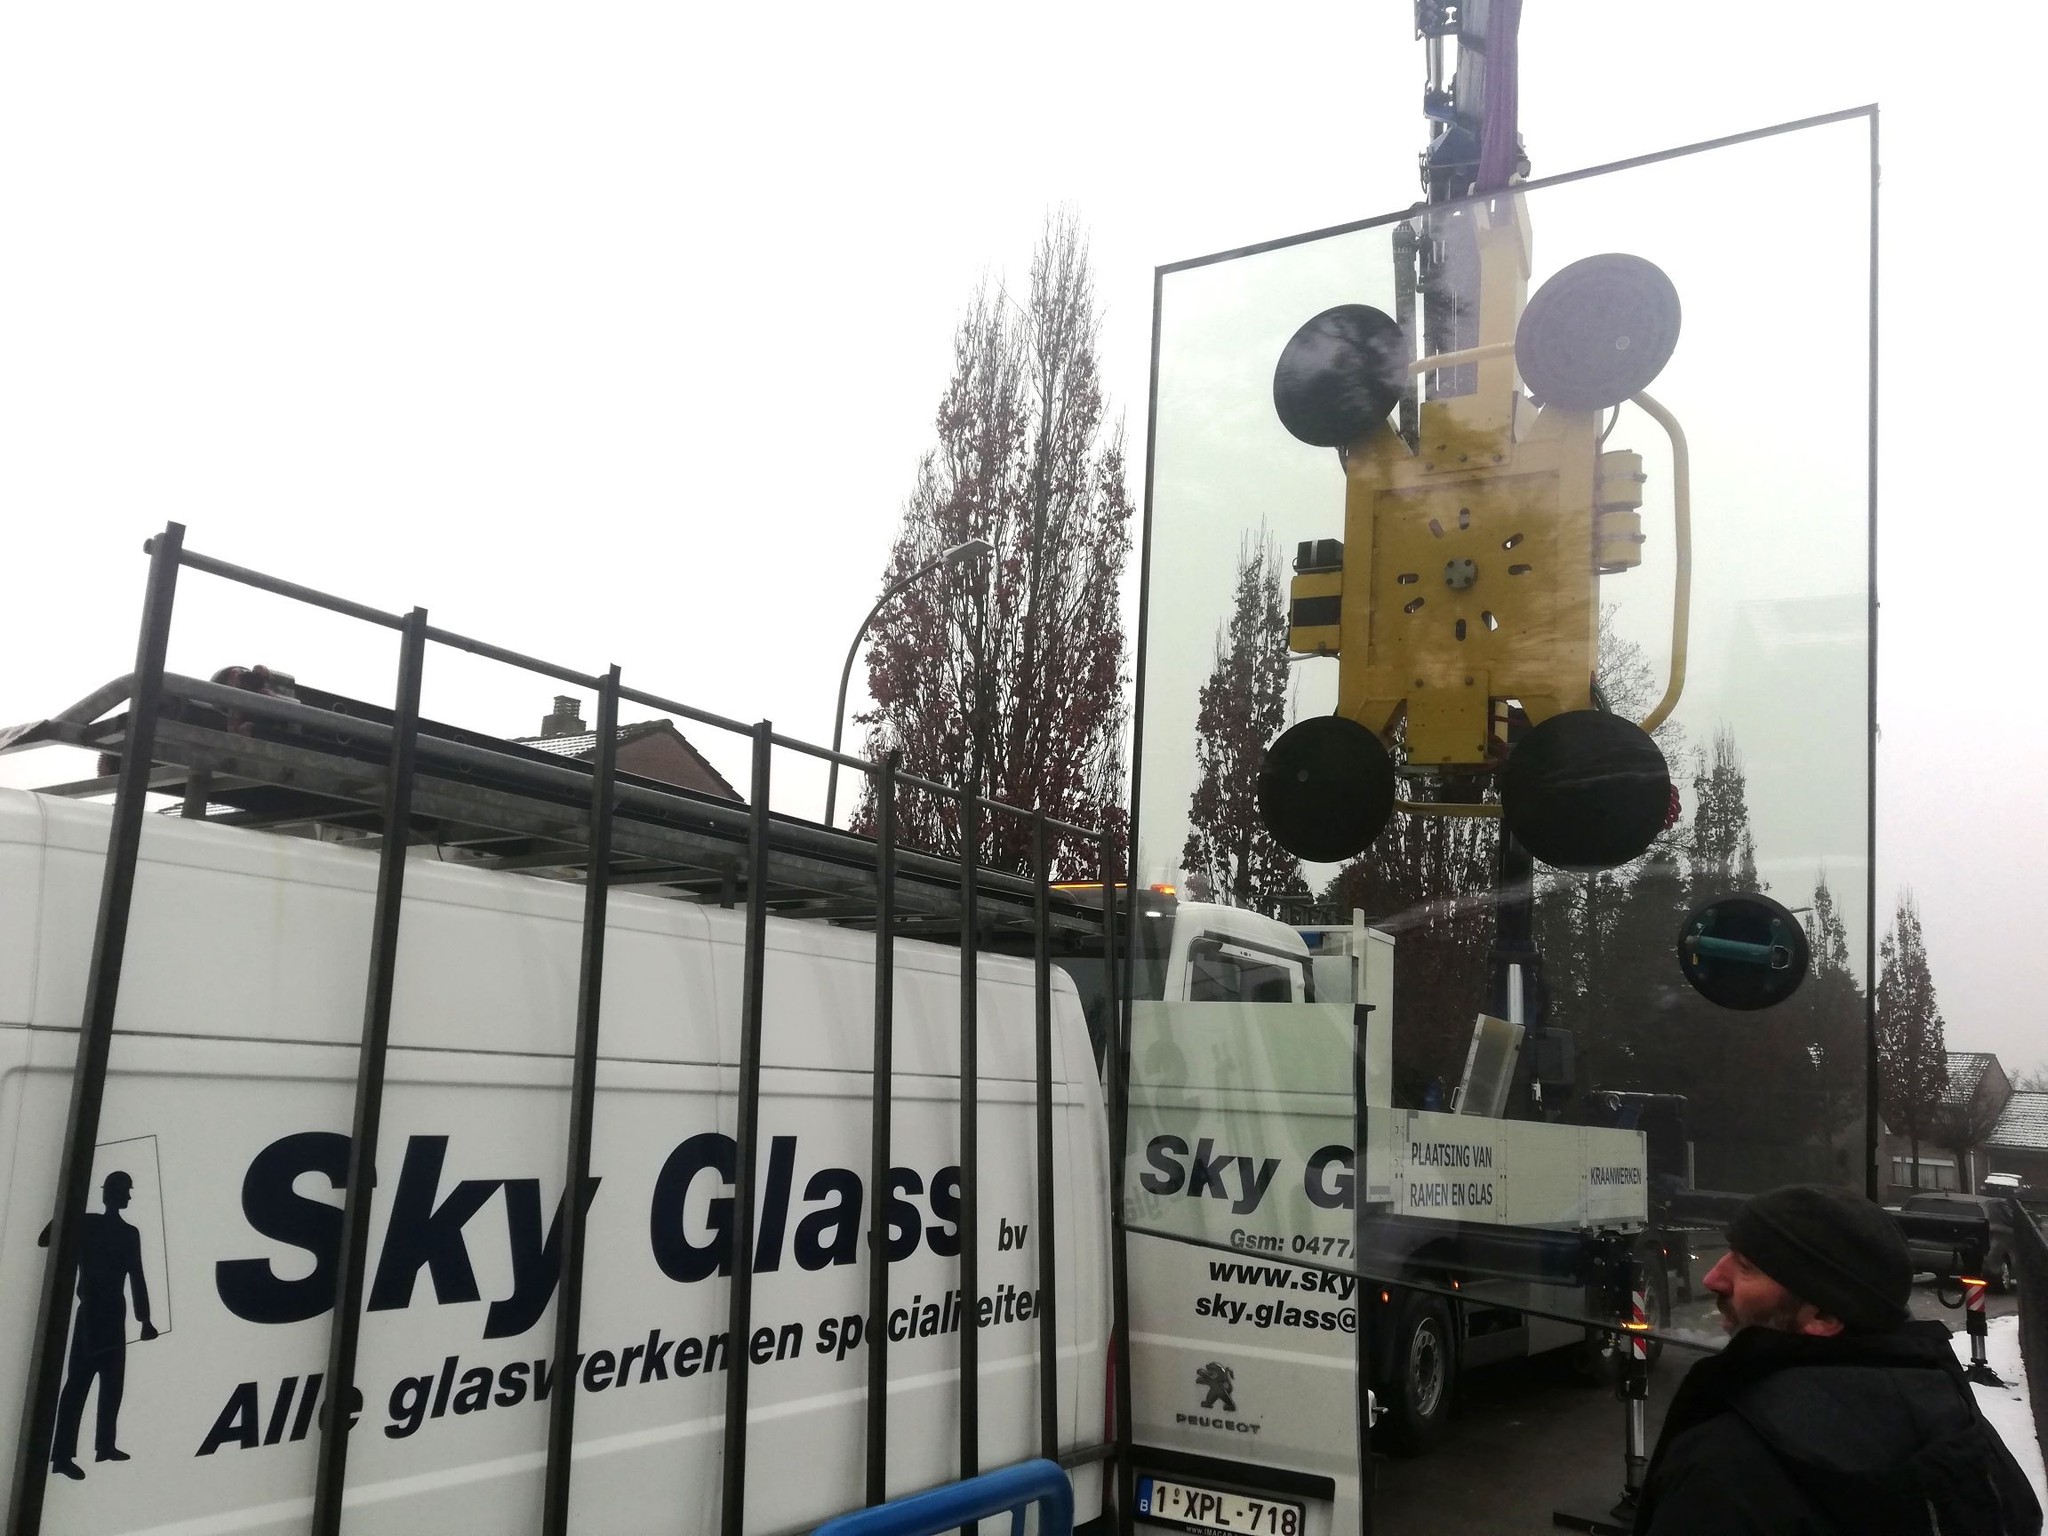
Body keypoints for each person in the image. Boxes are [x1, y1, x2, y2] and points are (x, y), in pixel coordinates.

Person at [1634, 1183, 2041, 1536]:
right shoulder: (1960, 1424)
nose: (1711, 1279)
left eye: (1746, 1266)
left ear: (1824, 1317)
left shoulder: (1725, 1468)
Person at [49, 1170, 158, 1480]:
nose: (128, 1196)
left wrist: (144, 1319)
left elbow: (136, 1277)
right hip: (96, 1313)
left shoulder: (123, 1232)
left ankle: (102, 1446)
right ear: (113, 1194)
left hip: (109, 1314)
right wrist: (69, 1216)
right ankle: (63, 1455)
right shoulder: (93, 1225)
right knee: (80, 1384)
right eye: (125, 1191)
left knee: (107, 1385)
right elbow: (49, 1240)